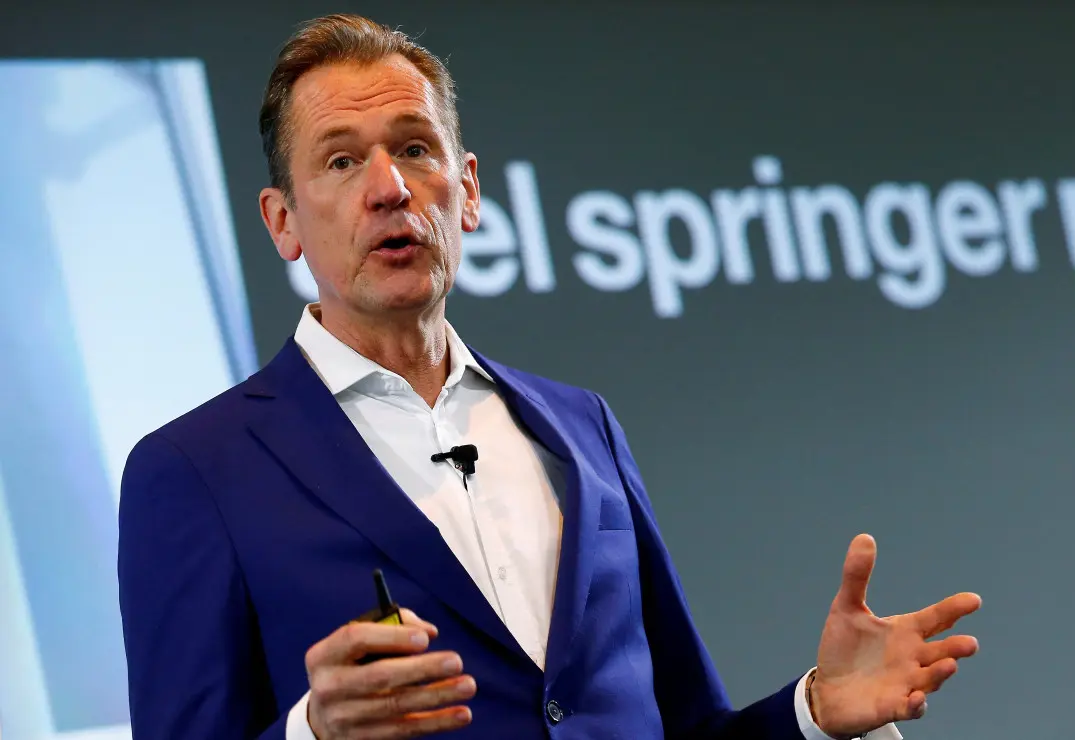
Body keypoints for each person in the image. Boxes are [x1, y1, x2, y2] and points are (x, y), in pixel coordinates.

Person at [117, 13, 981, 740]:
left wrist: (813, 711)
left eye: (415, 148)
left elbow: (683, 723)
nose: (389, 188)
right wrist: (312, 732)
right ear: (283, 223)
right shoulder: (195, 470)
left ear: (467, 190)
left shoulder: (581, 427)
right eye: (341, 161)